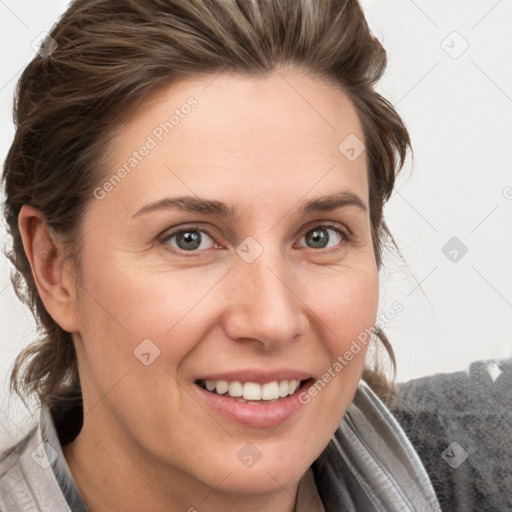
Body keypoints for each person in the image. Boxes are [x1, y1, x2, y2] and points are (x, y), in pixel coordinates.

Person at [0, 0, 509, 511]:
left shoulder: (482, 464)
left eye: (319, 237)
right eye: (189, 239)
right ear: (54, 266)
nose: (272, 320)